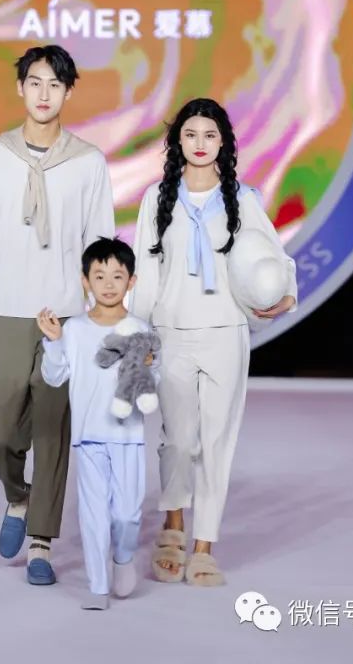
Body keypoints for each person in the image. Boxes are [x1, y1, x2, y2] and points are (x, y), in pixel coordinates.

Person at [0, 45, 115, 585]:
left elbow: (100, 242)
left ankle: (42, 542)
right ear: (20, 88)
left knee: (52, 429)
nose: (44, 93)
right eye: (35, 82)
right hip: (4, 309)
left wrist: (98, 315)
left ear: (68, 92)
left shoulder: (88, 162)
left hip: (65, 315)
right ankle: (17, 497)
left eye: (55, 84)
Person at [131, 98, 297, 585]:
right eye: (190, 134)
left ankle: (203, 546)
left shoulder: (243, 199)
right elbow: (146, 270)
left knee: (217, 441)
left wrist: (285, 295)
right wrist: (138, 333)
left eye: (209, 135)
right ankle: (173, 526)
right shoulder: (156, 199)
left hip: (225, 331)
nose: (200, 144)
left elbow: (272, 257)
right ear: (177, 141)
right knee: (177, 440)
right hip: (172, 331)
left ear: (223, 141)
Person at [38, 237, 156, 610]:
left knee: (127, 515)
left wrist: (151, 368)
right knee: (94, 515)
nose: (108, 284)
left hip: (129, 436)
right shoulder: (73, 329)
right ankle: (97, 588)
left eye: (117, 276)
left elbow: (153, 384)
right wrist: (54, 342)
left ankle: (123, 557)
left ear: (131, 281)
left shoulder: (140, 328)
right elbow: (54, 376)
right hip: (88, 437)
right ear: (85, 280)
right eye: (99, 275)